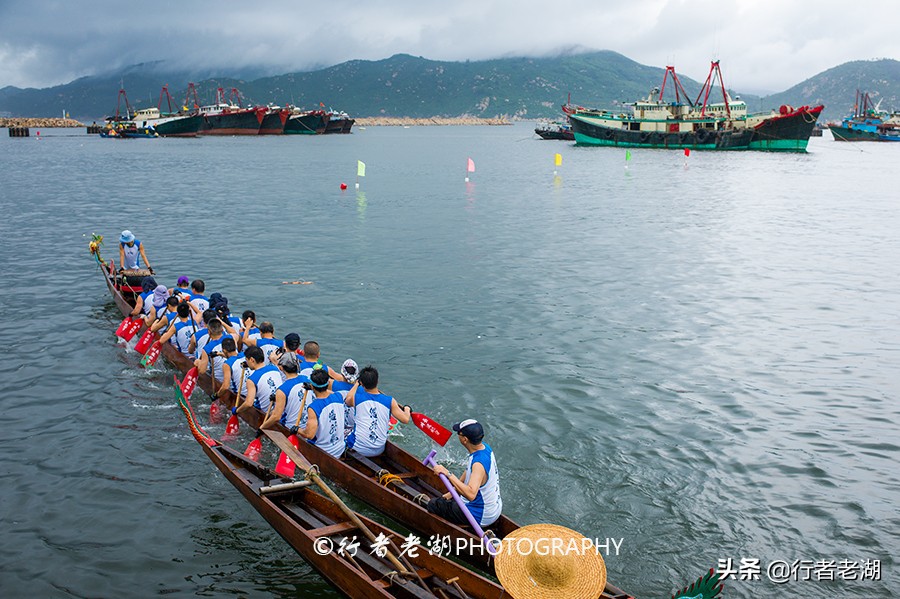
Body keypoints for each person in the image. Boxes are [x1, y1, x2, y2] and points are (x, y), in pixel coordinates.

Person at [427, 419, 502, 528]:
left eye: (459, 434)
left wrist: (447, 473)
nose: (458, 436)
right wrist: (451, 493)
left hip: (481, 516)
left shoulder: (478, 465)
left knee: (433, 504)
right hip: (494, 509)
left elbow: (471, 495)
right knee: (446, 500)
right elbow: (469, 471)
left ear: (465, 439)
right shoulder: (484, 448)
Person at [344, 365, 410, 457]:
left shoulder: (356, 398)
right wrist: (407, 409)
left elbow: (347, 400)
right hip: (379, 449)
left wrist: (356, 384)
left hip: (358, 447)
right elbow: (405, 419)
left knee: (344, 430)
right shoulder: (390, 401)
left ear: (362, 383)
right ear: (377, 382)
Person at [291, 368, 346, 458]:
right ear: (328, 383)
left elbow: (309, 435)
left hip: (323, 451)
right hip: (339, 449)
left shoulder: (314, 407)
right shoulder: (338, 396)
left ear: (312, 386)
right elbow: (328, 393)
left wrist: (297, 429)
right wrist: (313, 387)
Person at [260, 351, 309, 432]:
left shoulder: (282, 390)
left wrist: (261, 428)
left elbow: (276, 417)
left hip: (291, 428)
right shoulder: (307, 380)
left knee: (273, 413)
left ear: (281, 368)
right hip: (307, 426)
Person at [234, 345, 283, 416]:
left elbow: (248, 403)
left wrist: (237, 410)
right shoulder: (275, 368)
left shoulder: (251, 380)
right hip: (280, 409)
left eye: (246, 360)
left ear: (251, 360)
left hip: (266, 414)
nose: (246, 362)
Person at [193, 318, 229, 383]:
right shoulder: (232, 338)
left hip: (219, 380)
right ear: (222, 330)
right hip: (233, 379)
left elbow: (202, 371)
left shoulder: (207, 349)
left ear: (209, 332)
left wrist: (198, 363)